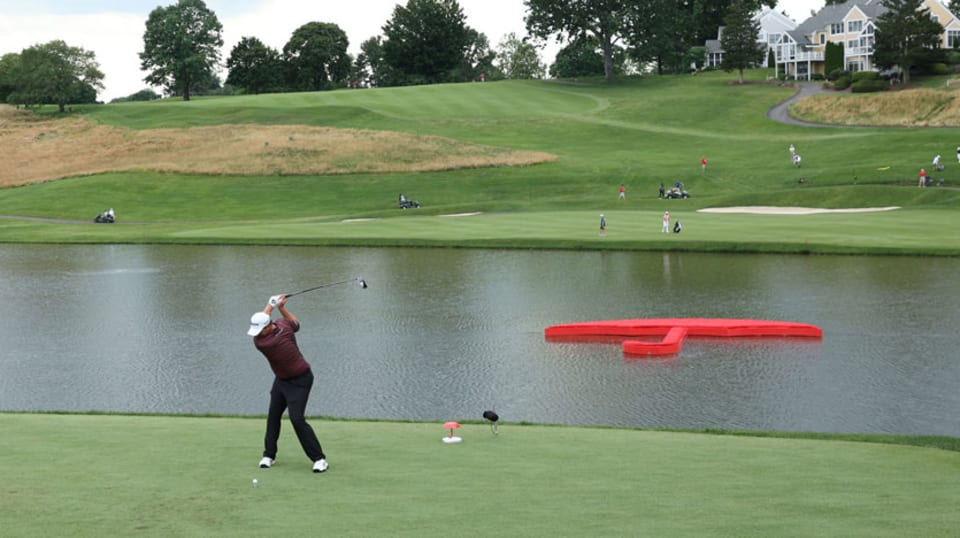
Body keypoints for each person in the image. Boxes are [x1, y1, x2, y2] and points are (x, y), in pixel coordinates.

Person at [248, 295, 329, 473]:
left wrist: (271, 304)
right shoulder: (281, 328)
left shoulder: (267, 342)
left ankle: (319, 459)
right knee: (273, 416)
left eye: (260, 329)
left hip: (301, 380)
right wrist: (281, 307)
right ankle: (269, 455)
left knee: (297, 419)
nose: (256, 334)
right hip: (282, 380)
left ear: (269, 327)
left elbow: (272, 317)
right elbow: (295, 323)